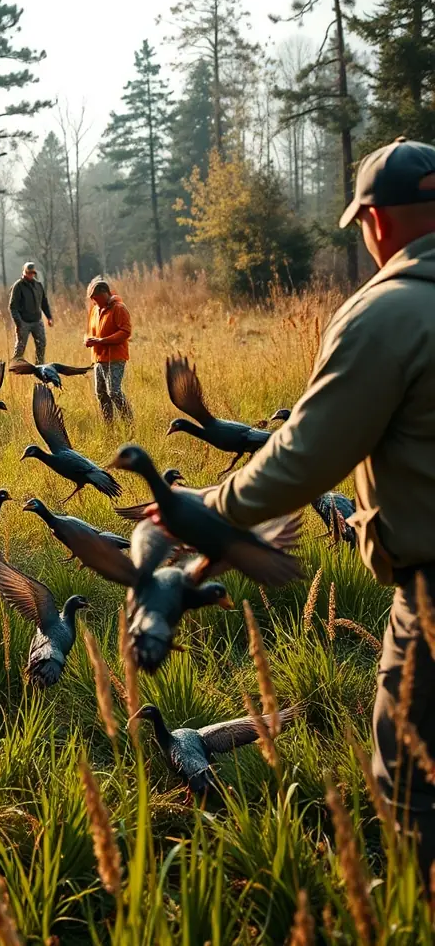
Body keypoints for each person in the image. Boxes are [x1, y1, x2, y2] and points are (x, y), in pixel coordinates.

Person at [158, 137, 435, 878]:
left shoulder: (389, 312)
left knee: (407, 775)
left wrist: (204, 510)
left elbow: (305, 459)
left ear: (375, 223)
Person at [85, 277, 133, 422]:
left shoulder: (119, 308)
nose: (94, 301)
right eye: (92, 299)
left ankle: (128, 422)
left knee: (114, 392)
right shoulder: (95, 309)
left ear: (105, 293)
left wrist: (102, 341)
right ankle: (108, 425)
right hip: (98, 359)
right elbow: (90, 330)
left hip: (115, 358)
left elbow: (125, 332)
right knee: (101, 393)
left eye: (96, 298)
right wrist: (87, 339)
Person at [8, 262, 53, 364]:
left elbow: (44, 303)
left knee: (41, 345)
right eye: (28, 273)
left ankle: (40, 369)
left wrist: (49, 317)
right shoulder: (18, 286)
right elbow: (12, 307)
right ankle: (15, 367)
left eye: (32, 273)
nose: (30, 275)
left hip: (37, 321)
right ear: (24, 272)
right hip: (23, 322)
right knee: (20, 348)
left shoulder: (38, 286)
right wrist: (18, 323)